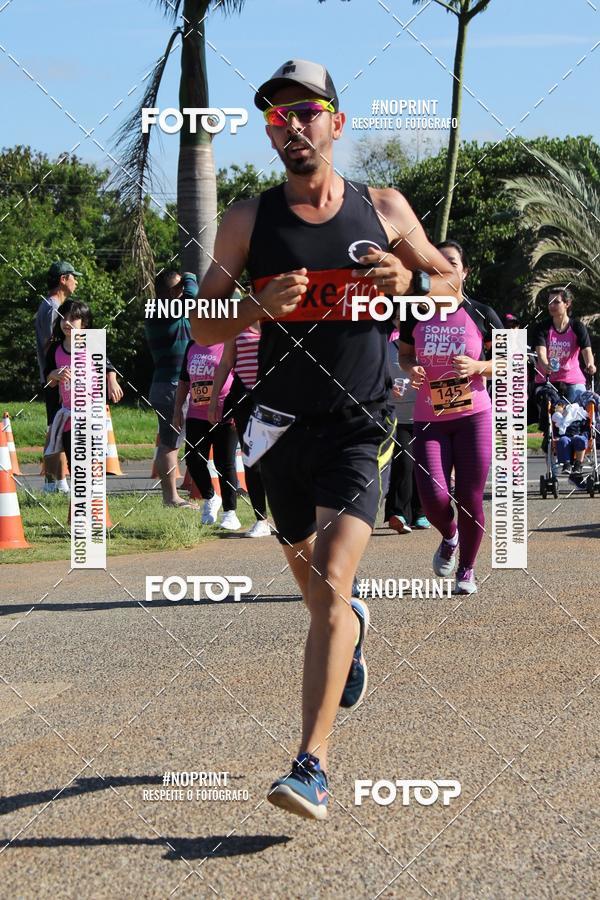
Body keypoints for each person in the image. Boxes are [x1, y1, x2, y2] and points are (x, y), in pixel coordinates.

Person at [191, 58, 457, 820]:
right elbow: (202, 325)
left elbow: (451, 283)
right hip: (275, 429)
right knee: (316, 594)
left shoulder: (383, 208)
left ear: (337, 123)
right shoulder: (249, 219)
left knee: (333, 586)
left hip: (358, 422)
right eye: (278, 118)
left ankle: (311, 765)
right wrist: (254, 305)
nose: (292, 127)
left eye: (306, 113)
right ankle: (355, 628)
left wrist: (408, 284)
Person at [399, 240, 503, 596]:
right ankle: (449, 535)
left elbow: (511, 360)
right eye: (436, 263)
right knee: (432, 496)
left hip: (474, 416)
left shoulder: (482, 313)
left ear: (464, 271)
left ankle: (467, 569)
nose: (444, 267)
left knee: (471, 497)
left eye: (452, 262)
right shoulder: (416, 312)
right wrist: (411, 368)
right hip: (430, 418)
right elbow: (405, 355)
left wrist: (479, 367)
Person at [209, 320, 272, 537]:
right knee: (252, 459)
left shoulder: (280, 323)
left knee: (282, 459)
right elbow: (226, 363)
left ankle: (293, 517)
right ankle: (261, 519)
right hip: (245, 398)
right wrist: (214, 400)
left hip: (276, 399)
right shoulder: (237, 323)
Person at [44, 300, 122, 469]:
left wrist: (113, 381)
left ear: (84, 324)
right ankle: (75, 491)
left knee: (91, 461)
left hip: (92, 414)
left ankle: (94, 494)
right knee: (75, 464)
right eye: (63, 318)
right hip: (69, 416)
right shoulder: (55, 349)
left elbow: (108, 367)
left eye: (73, 319)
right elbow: (48, 382)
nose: (66, 323)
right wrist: (55, 375)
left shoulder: (93, 344)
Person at [173, 338, 240, 530]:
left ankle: (230, 513)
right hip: (197, 412)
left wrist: (236, 408)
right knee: (193, 459)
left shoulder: (229, 342)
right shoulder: (192, 344)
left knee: (224, 463)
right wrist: (177, 410)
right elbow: (184, 381)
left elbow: (239, 378)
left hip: (224, 412)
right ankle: (211, 497)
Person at [145, 270, 195, 508]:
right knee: (170, 442)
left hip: (169, 385)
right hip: (170, 386)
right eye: (180, 288)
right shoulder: (160, 311)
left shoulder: (171, 312)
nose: (184, 291)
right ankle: (171, 498)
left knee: (174, 440)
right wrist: (190, 277)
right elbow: (194, 299)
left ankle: (175, 495)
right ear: (173, 292)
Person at [35, 261, 81, 492]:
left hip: (57, 376)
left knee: (59, 428)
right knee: (57, 429)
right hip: (57, 378)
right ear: (63, 279)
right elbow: (53, 344)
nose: (76, 281)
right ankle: (52, 483)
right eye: (73, 277)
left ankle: (58, 481)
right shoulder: (54, 308)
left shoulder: (48, 305)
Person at [384, 327, 429, 534]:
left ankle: (420, 513)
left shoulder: (430, 348)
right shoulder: (387, 349)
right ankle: (397, 513)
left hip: (427, 415)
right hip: (400, 418)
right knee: (404, 462)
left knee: (425, 465)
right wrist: (389, 389)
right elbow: (376, 379)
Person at [533, 287, 596, 404]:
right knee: (547, 406)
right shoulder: (541, 328)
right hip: (547, 381)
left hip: (573, 380)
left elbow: (587, 351)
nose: (552, 305)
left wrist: (590, 365)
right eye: (550, 302)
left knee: (581, 409)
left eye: (556, 302)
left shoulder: (578, 327)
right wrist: (546, 365)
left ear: (567, 304)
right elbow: (541, 353)